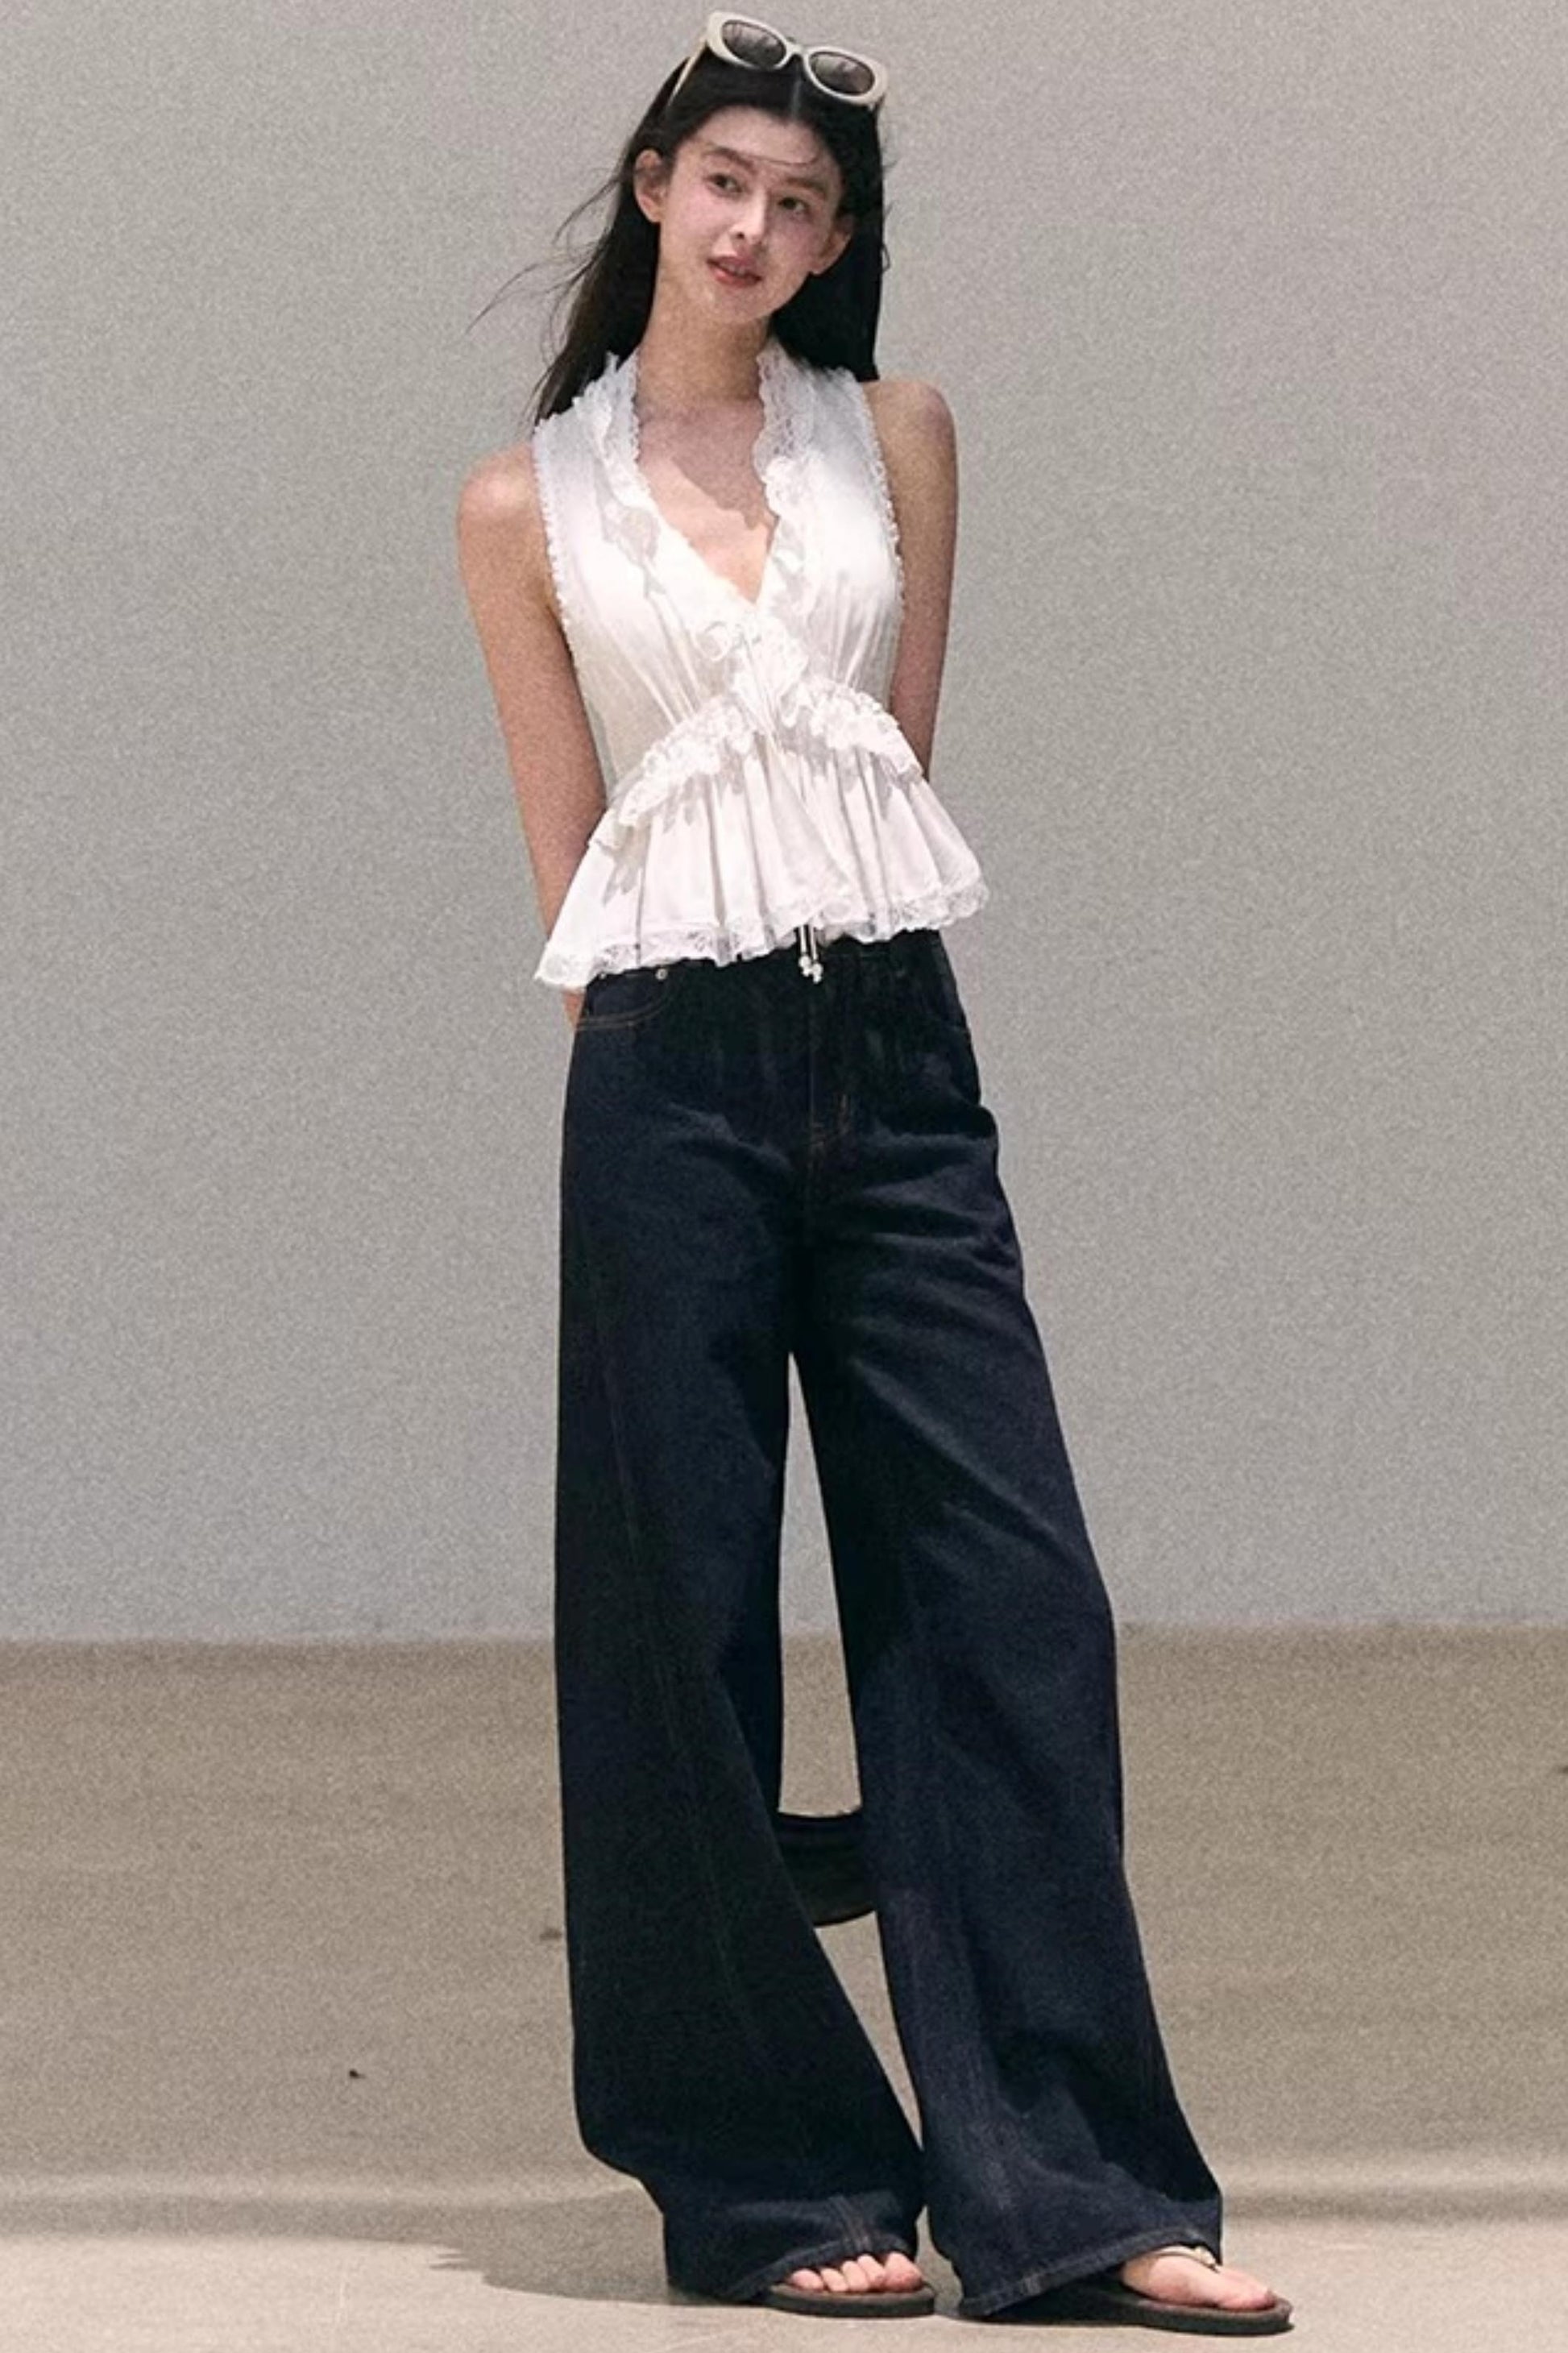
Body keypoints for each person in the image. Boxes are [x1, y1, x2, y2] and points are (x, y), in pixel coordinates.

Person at [457, 15, 1292, 2334]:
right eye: (725, 180)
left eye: (802, 203)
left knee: (1009, 1606)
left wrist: (848, 1031)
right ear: (654, 188)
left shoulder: (893, 435)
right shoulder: (523, 505)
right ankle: (763, 2176)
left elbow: (890, 767)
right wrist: (667, 1091)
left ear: (837, 242)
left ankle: (1076, 2191)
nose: (757, 228)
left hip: (896, 1054)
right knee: (675, 1629)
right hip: (667, 1070)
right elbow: (570, 858)